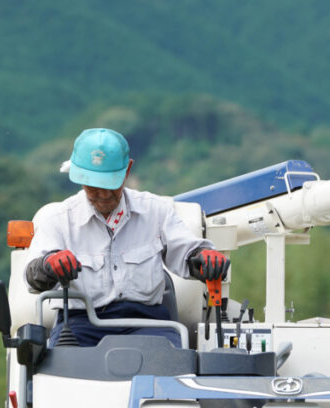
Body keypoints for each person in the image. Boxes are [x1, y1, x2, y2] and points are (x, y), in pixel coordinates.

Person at [24, 128, 229, 347]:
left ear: (127, 170)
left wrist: (204, 259)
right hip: (80, 326)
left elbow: (188, 254)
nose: (103, 195)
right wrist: (47, 266)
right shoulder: (58, 219)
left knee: (169, 370)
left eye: (110, 184)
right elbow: (33, 280)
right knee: (60, 374)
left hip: (149, 325)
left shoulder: (157, 211)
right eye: (93, 186)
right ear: (79, 178)